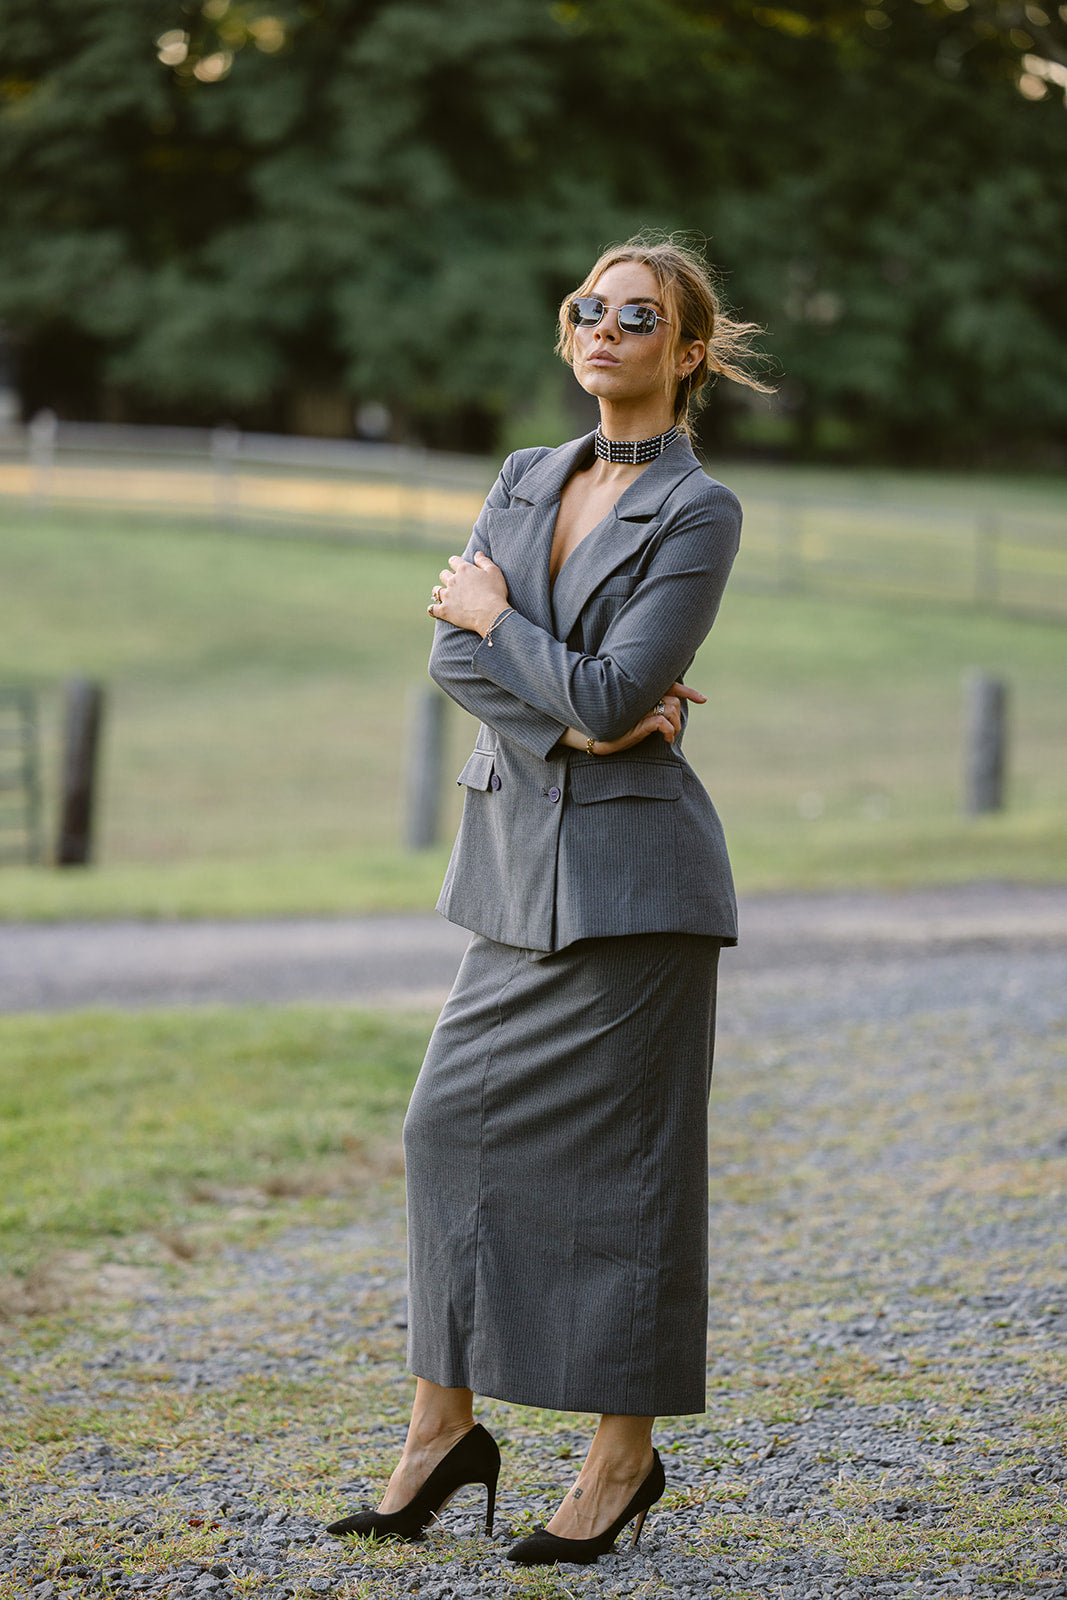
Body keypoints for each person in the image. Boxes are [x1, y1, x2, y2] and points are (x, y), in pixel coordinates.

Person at [326, 235, 770, 1566]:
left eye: (637, 315)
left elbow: (614, 684)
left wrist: (520, 639)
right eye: (588, 307)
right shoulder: (526, 474)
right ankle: (442, 1432)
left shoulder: (699, 512)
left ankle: (622, 1458)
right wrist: (577, 720)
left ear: (687, 351)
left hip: (641, 886)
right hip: (515, 871)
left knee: (633, 1175)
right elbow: (459, 661)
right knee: (444, 1126)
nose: (603, 328)